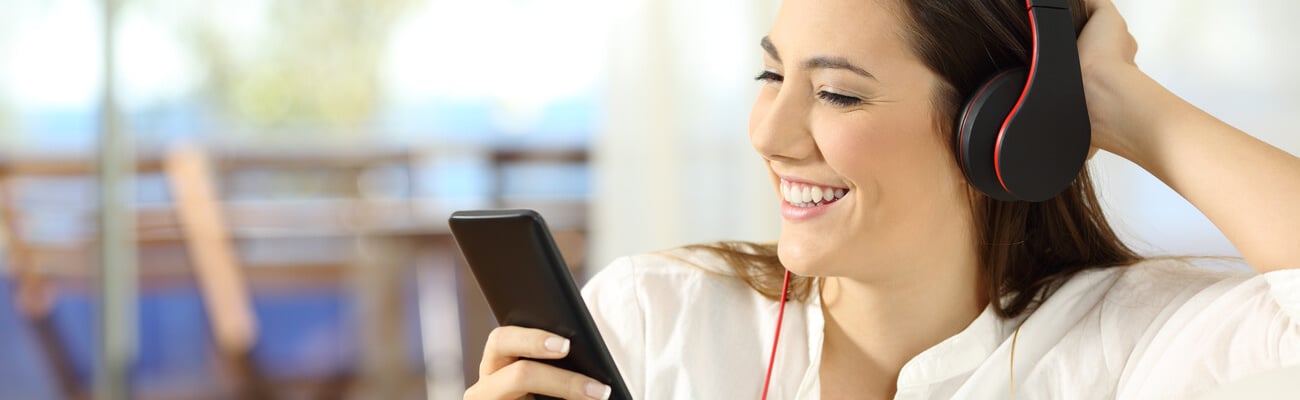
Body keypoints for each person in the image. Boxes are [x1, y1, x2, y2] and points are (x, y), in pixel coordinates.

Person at [463, 0, 1300, 398]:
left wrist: (1117, 100)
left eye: (839, 95)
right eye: (771, 75)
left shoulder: (1131, 344)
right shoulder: (656, 320)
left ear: (999, 125)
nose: (770, 133)